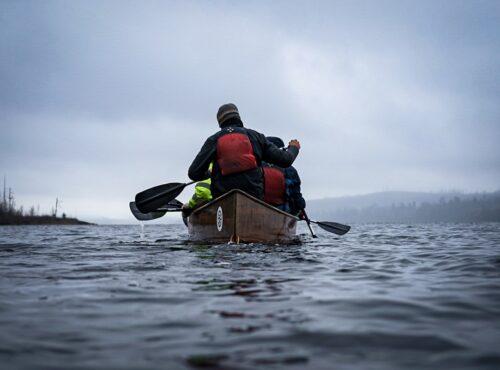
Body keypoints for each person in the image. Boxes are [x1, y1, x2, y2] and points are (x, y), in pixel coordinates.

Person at [188, 103, 301, 200]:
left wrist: (209, 173)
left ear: (220, 122)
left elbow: (194, 173)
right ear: (238, 118)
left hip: (223, 199)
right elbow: (286, 160)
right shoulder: (256, 136)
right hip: (253, 198)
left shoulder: (213, 140)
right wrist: (294, 147)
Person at [263, 136, 306, 217]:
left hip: (255, 211)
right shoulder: (289, 170)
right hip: (281, 213)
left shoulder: (254, 165)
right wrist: (301, 208)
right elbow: (296, 197)